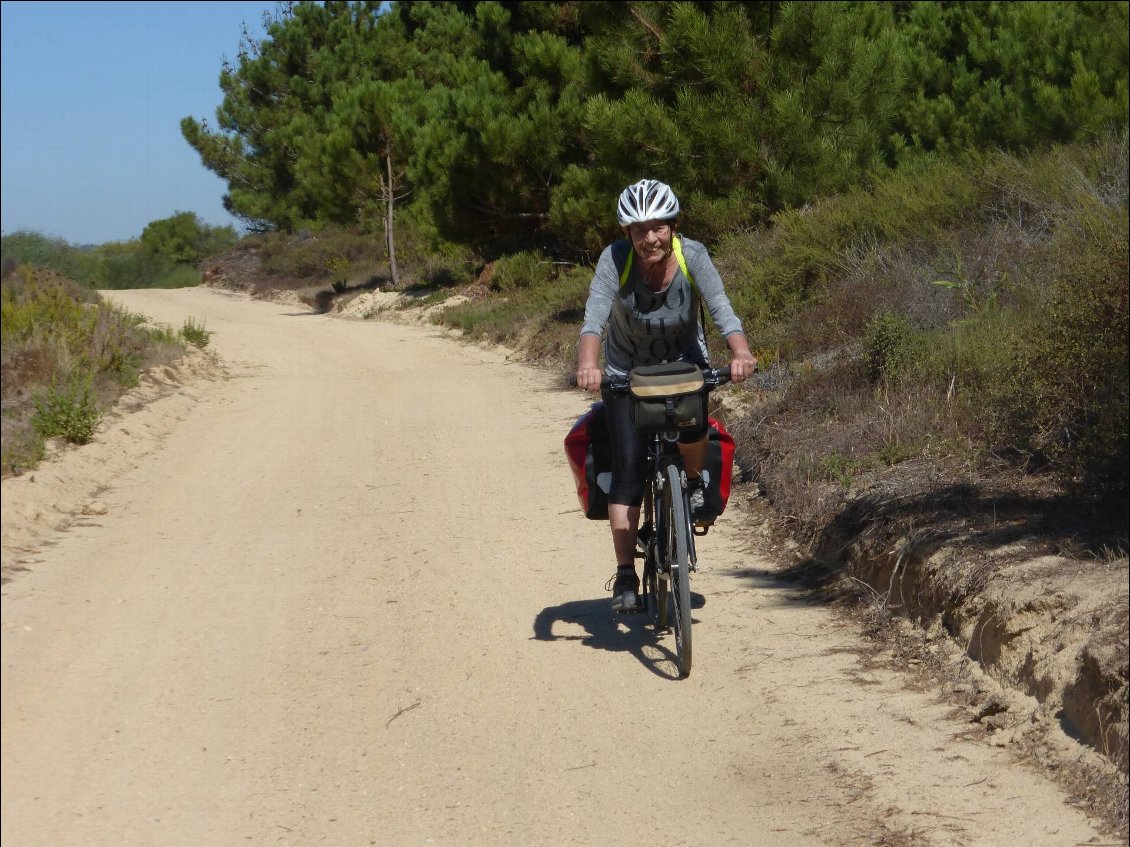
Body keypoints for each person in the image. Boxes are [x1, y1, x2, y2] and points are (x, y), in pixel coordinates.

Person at [576, 178, 757, 613]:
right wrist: (588, 365)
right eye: (639, 229)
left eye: (658, 227)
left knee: (694, 433)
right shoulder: (615, 260)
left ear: (673, 226)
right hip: (626, 375)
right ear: (627, 233)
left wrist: (741, 353)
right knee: (628, 474)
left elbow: (720, 308)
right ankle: (625, 574)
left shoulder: (691, 255)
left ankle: (691, 485)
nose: (649, 238)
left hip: (684, 370)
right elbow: (594, 317)